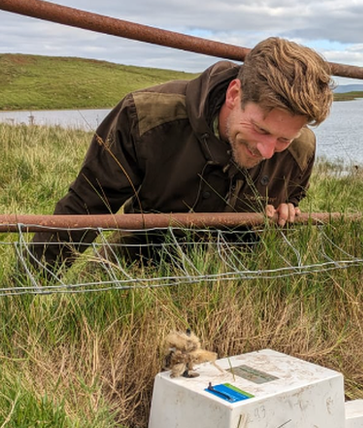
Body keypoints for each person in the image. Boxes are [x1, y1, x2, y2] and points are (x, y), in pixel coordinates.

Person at [28, 37, 334, 274]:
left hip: (237, 275)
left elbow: (291, 201)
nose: (268, 151)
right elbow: (83, 209)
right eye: (261, 130)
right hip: (140, 258)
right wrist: (22, 296)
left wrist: (284, 214)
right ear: (234, 94)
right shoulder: (144, 118)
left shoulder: (301, 148)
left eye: (284, 138)